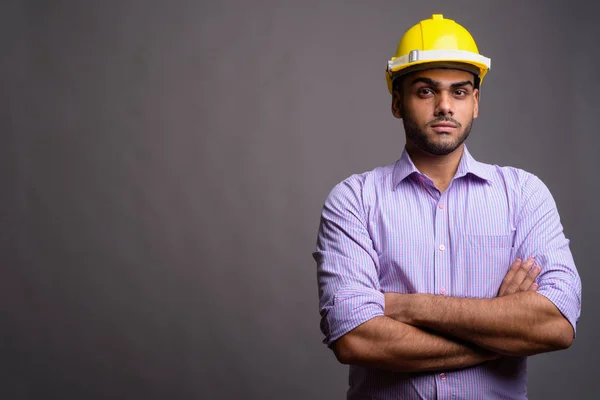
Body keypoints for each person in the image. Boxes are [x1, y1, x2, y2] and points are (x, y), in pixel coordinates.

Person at [312, 14, 582, 400]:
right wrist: (500, 335)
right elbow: (356, 339)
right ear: (396, 102)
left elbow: (556, 323)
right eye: (425, 91)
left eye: (459, 92)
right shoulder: (354, 200)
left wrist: (408, 307)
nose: (444, 106)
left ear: (475, 102)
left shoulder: (523, 194)